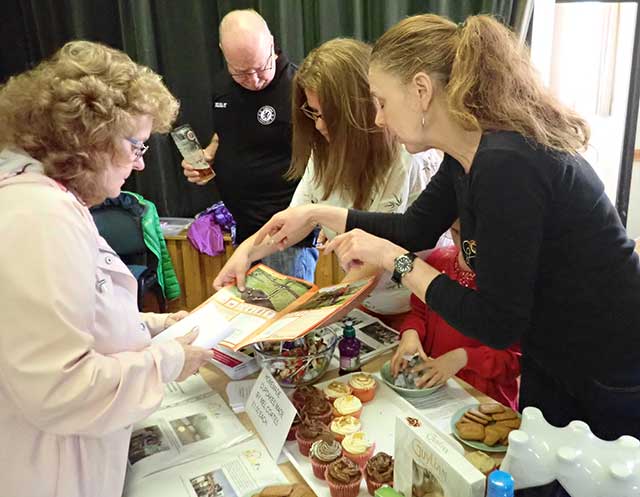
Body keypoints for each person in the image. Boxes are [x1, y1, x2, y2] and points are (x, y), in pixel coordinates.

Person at [255, 12, 640, 468]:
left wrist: (394, 260)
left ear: (421, 91)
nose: (377, 118)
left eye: (381, 101)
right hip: (552, 356)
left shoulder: (506, 163)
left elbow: (497, 324)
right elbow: (413, 227)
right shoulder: (466, 156)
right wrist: (316, 214)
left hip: (606, 366)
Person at [0, 41, 213, 497]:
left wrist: (154, 326)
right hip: (52, 472)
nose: (139, 163)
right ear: (88, 138)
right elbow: (59, 388)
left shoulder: (52, 201)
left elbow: (81, 315)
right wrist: (170, 359)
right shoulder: (39, 216)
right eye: (135, 145)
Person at [213, 38, 441, 325]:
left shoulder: (408, 157)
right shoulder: (325, 153)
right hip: (369, 305)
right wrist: (248, 252)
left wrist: (311, 319)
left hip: (418, 311)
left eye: (328, 116)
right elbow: (295, 221)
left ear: (361, 110)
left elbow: (376, 262)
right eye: (314, 113)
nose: (319, 126)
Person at [181, 9, 318, 280]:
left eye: (260, 68)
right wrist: (207, 156)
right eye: (242, 73)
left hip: (286, 236)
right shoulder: (222, 85)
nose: (253, 80)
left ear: (271, 43)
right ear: (223, 53)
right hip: (243, 227)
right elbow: (223, 135)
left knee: (288, 319)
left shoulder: (300, 88)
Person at [393, 220, 521, 410]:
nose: (465, 245)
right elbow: (419, 311)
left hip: (482, 397)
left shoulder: (512, 283)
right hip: (432, 385)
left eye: (477, 236)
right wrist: (410, 333)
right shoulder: (437, 261)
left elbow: (514, 359)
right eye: (456, 232)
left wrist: (464, 357)